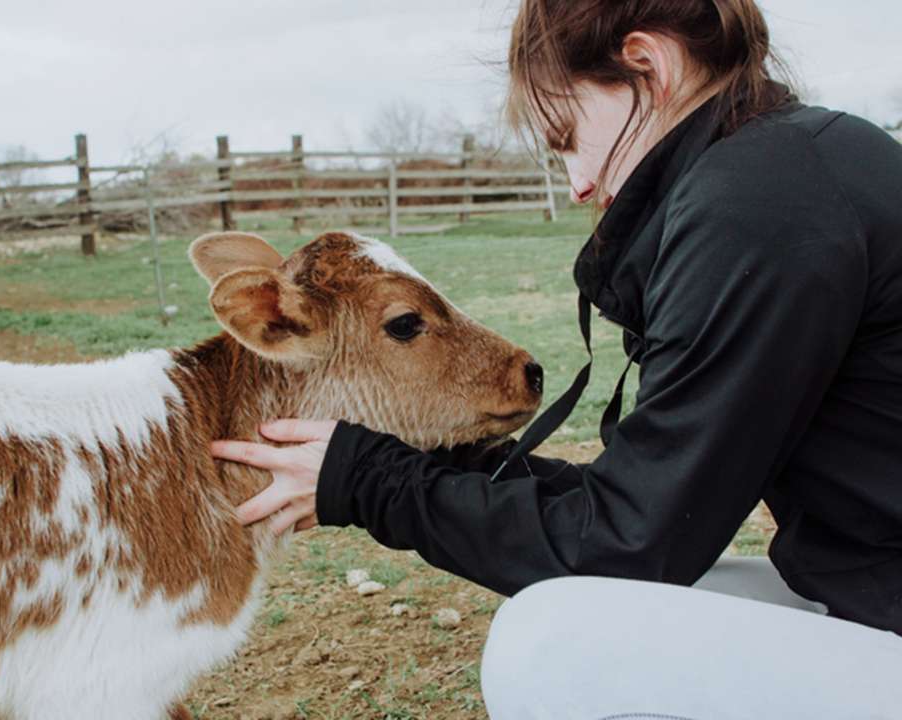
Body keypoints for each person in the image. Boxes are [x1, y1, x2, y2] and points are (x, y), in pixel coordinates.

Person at [211, 1, 902, 717]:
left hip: (880, 605)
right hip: (866, 587)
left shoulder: (761, 205)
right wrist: (398, 460)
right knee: (586, 606)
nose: (576, 184)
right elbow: (645, 509)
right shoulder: (794, 164)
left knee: (549, 645)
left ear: (648, 66)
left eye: (567, 137)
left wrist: (371, 482)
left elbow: (628, 542)